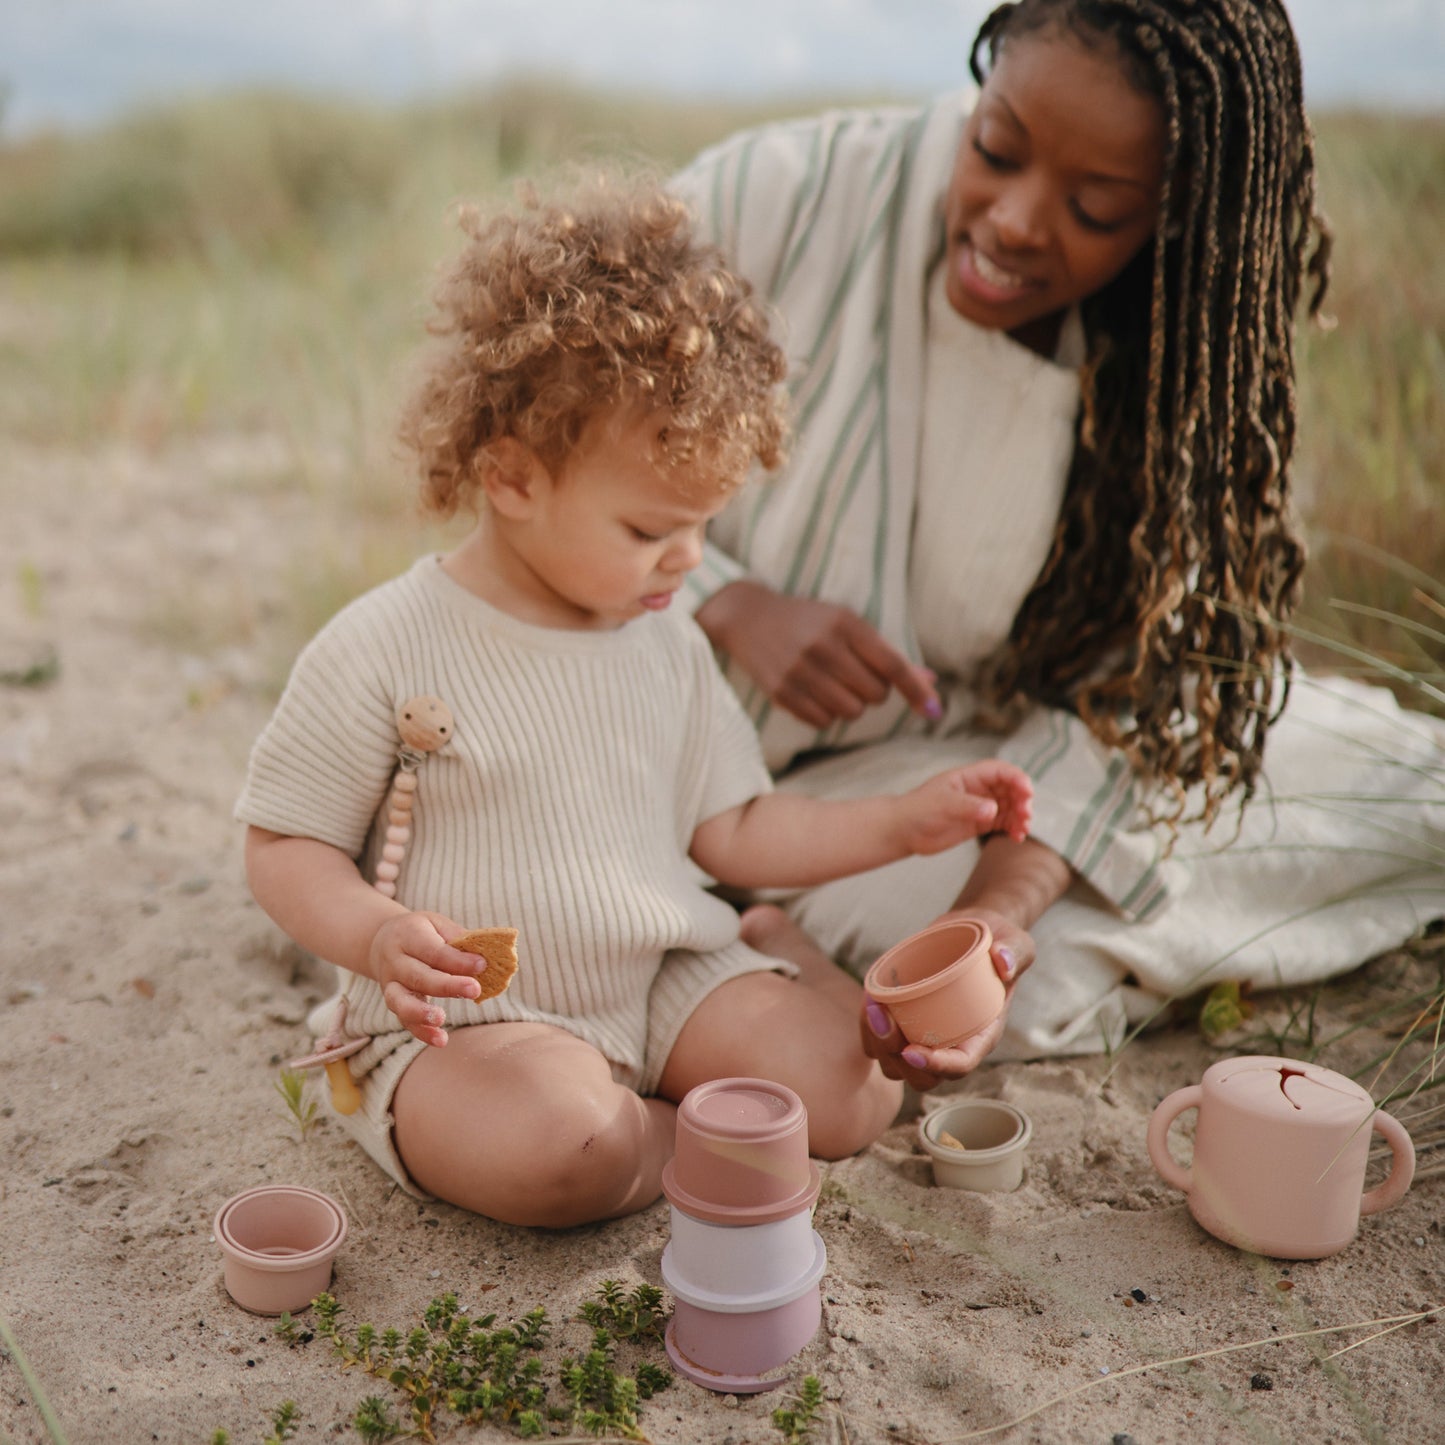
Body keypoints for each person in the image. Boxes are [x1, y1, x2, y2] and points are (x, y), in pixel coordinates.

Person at [669, 0, 1445, 1089]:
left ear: (1173, 221)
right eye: (993, 151)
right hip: (668, 760)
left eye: (1094, 207)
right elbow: (526, 454)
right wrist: (723, 597)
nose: (1018, 221)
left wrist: (995, 916)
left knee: (1015, 976)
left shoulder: (1177, 370)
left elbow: (1133, 697)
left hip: (921, 774)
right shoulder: (768, 199)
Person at [235, 177, 1035, 1227]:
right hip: (471, 1019)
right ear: (511, 476)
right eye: (649, 529)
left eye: (704, 526)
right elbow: (283, 846)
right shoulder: (386, 642)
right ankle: (676, 1132)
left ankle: (707, 1091)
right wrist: (376, 934)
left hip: (660, 975)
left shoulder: (664, 643)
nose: (689, 560)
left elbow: (737, 825)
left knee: (852, 1095)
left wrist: (903, 822)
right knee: (559, 1150)